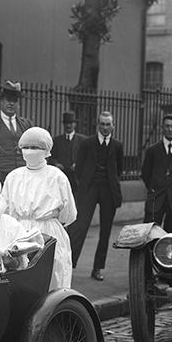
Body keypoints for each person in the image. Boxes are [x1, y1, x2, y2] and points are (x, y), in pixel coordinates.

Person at [2, 127, 76, 289]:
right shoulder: (13, 176)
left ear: (46, 150)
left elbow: (68, 213)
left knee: (53, 275)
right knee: (19, 275)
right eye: (26, 147)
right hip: (18, 232)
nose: (30, 151)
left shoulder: (57, 176)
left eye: (35, 147)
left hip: (49, 233)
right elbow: (4, 210)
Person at [69, 111, 123, 282]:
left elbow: (119, 170)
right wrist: (85, 184)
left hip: (108, 190)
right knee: (80, 226)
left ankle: (98, 268)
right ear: (97, 125)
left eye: (108, 124)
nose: (105, 127)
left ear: (113, 126)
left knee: (105, 232)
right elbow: (79, 169)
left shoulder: (117, 146)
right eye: (102, 124)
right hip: (90, 189)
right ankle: (70, 265)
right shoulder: (87, 143)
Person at [0, 80, 34, 183]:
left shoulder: (27, 125)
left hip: (22, 179)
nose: (11, 103)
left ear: (19, 104)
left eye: (15, 100)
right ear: (1, 101)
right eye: (8, 99)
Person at [50, 110, 86, 193]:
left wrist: (78, 164)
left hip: (77, 179)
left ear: (75, 124)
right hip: (61, 177)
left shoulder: (83, 140)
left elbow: (87, 158)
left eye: (71, 123)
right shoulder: (57, 140)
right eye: (66, 123)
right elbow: (51, 157)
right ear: (63, 124)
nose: (68, 125)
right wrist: (56, 164)